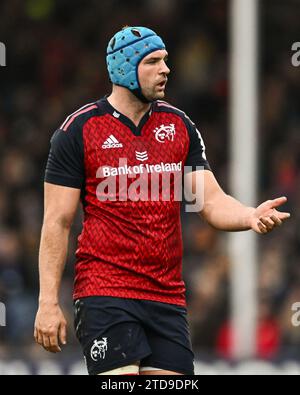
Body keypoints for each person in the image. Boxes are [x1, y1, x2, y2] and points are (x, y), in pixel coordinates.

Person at [34, 26, 290, 375]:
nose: (166, 69)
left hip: (166, 297)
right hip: (106, 290)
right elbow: (57, 222)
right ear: (124, 68)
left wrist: (249, 215)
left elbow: (211, 201)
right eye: (153, 61)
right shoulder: (78, 130)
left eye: (166, 60)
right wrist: (47, 301)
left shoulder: (179, 125)